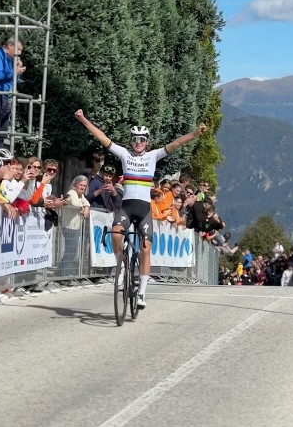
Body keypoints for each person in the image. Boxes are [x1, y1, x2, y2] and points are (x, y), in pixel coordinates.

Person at [73, 109, 206, 309]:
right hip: (127, 207)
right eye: (135, 139)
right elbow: (102, 138)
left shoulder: (153, 155)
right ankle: (122, 265)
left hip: (144, 210)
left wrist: (195, 133)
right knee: (115, 235)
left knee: (145, 249)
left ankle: (142, 291)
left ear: (147, 141)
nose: (138, 142)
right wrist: (83, 119)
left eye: (142, 139)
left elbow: (177, 143)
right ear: (132, 141)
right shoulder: (124, 154)